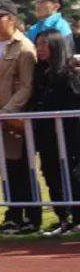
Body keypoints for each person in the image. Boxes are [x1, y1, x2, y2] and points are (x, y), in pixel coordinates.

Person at [0, 0, 38, 234]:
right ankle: (13, 214)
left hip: (12, 119)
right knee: (3, 169)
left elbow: (26, 86)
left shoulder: (24, 47)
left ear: (12, 19)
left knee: (19, 168)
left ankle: (30, 216)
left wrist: (8, 111)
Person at [28, 30, 80, 235]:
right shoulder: (40, 73)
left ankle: (77, 218)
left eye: (44, 44)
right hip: (46, 134)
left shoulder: (69, 74)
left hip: (69, 135)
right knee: (51, 174)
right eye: (38, 44)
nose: (39, 49)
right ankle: (62, 218)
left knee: (73, 175)